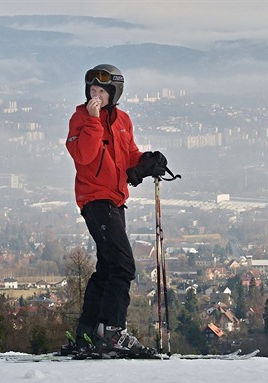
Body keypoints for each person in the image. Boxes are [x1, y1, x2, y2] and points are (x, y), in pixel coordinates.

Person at [64, 64, 166, 357]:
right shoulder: (81, 119)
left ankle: (87, 332)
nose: (95, 96)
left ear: (114, 93)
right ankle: (112, 332)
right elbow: (84, 155)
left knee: (108, 267)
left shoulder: (123, 120)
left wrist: (147, 162)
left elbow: (128, 154)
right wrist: (94, 121)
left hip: (116, 199)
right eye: (92, 91)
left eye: (101, 92)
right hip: (94, 199)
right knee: (123, 265)